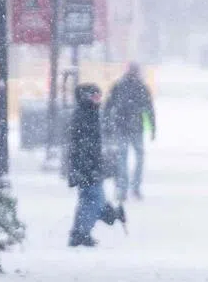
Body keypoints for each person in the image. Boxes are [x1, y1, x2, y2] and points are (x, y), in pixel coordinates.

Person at [66, 84, 126, 247]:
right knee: (94, 200)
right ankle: (85, 231)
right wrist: (90, 167)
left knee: (88, 200)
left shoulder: (88, 113)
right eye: (95, 96)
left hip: (86, 167)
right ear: (87, 97)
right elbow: (84, 145)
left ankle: (80, 231)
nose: (99, 100)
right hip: (87, 167)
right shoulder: (85, 115)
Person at [103, 63, 156, 202]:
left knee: (122, 158)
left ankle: (123, 189)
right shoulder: (141, 87)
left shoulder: (119, 86)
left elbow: (108, 106)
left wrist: (107, 124)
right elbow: (149, 109)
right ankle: (135, 188)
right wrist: (153, 128)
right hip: (135, 127)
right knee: (137, 158)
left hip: (122, 126)